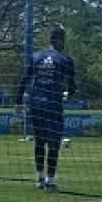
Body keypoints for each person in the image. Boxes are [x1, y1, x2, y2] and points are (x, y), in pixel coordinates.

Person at [16, 25, 76, 192]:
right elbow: (72, 84)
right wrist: (69, 94)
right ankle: (50, 180)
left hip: (36, 104)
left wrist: (18, 101)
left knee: (40, 142)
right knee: (54, 143)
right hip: (53, 105)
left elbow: (24, 80)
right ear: (60, 40)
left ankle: (39, 177)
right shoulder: (65, 59)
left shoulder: (36, 57)